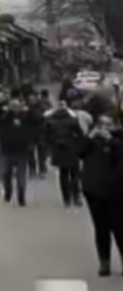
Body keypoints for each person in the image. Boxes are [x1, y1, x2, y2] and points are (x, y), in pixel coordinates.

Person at [80, 115, 123, 276]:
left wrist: (111, 140)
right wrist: (90, 137)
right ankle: (104, 262)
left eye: (107, 124)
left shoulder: (118, 140)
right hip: (94, 191)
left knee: (119, 228)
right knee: (101, 228)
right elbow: (79, 151)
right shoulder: (91, 142)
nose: (104, 128)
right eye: (101, 125)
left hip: (117, 191)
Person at [45, 96, 86, 208]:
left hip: (59, 151)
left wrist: (52, 145)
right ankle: (76, 196)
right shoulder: (72, 120)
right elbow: (80, 134)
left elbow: (46, 136)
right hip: (72, 150)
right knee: (74, 174)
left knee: (63, 175)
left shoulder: (50, 121)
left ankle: (66, 198)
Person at [0, 96, 32, 207]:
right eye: (14, 106)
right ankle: (8, 192)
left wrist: (29, 111)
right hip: (7, 150)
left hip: (22, 149)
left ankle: (21, 197)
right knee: (6, 174)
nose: (16, 108)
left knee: (21, 174)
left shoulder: (26, 118)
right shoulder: (4, 118)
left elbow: (38, 122)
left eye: (18, 106)